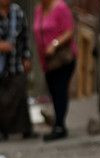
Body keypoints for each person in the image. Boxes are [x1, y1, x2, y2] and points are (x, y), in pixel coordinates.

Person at [0, 0, 35, 142]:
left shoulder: (18, 12)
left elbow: (24, 38)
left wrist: (27, 57)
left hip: (14, 64)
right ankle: (1, 130)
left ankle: (23, 129)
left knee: (19, 94)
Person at [33, 0, 77, 141]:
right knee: (53, 91)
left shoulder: (60, 8)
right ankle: (58, 123)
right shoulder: (39, 10)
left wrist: (55, 44)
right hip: (47, 61)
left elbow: (69, 31)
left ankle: (59, 126)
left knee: (60, 90)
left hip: (62, 58)